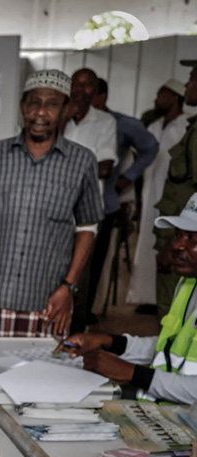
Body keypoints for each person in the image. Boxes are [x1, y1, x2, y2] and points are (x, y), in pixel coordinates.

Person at [0, 70, 103, 457]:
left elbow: (88, 229)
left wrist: (69, 287)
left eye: (52, 104)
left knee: (43, 384)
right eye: (34, 102)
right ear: (23, 107)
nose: (41, 112)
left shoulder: (80, 162)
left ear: (66, 110)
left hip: (49, 296)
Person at [58, 193, 197, 457]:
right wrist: (112, 341)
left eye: (193, 239)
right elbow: (167, 347)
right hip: (172, 412)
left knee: (115, 452)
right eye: (180, 236)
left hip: (187, 430)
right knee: (92, 430)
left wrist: (133, 374)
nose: (178, 245)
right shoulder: (189, 285)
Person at [87, 78, 158, 320]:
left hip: (105, 202)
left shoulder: (121, 124)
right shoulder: (70, 119)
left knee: (96, 262)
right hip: (73, 205)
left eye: (89, 92)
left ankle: (86, 311)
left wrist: (128, 177)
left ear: (102, 96)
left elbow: (150, 146)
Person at [61, 68, 118, 332]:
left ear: (95, 91)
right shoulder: (58, 118)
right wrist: (62, 120)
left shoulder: (105, 122)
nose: (80, 90)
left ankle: (75, 333)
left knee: (79, 279)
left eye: (87, 86)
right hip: (55, 209)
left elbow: (105, 167)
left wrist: (62, 166)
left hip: (85, 213)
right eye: (76, 84)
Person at [126, 80, 189, 316]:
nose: (156, 100)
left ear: (174, 97)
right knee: (145, 247)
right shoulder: (154, 127)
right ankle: (147, 297)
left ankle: (163, 302)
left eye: (161, 95)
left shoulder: (184, 128)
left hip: (173, 202)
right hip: (150, 195)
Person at [154, 62, 197, 315]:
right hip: (182, 235)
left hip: (185, 241)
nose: (188, 84)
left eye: (192, 78)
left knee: (173, 310)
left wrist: (178, 242)